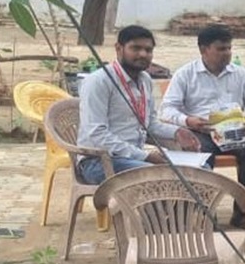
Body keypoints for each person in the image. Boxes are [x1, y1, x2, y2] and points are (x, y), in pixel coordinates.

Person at [159, 24, 245, 227]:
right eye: (221, 49)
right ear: (204, 49)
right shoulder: (185, 74)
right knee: (199, 156)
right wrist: (188, 121)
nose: (227, 53)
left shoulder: (240, 74)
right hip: (201, 132)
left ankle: (242, 210)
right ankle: (207, 212)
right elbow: (166, 110)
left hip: (234, 132)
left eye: (229, 48)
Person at [76, 25, 193, 184]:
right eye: (136, 48)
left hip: (133, 158)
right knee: (164, 176)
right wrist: (145, 156)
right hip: (99, 161)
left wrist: (177, 132)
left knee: (201, 171)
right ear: (119, 48)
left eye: (148, 50)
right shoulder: (99, 81)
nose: (143, 54)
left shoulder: (145, 80)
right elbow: (96, 133)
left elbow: (149, 124)